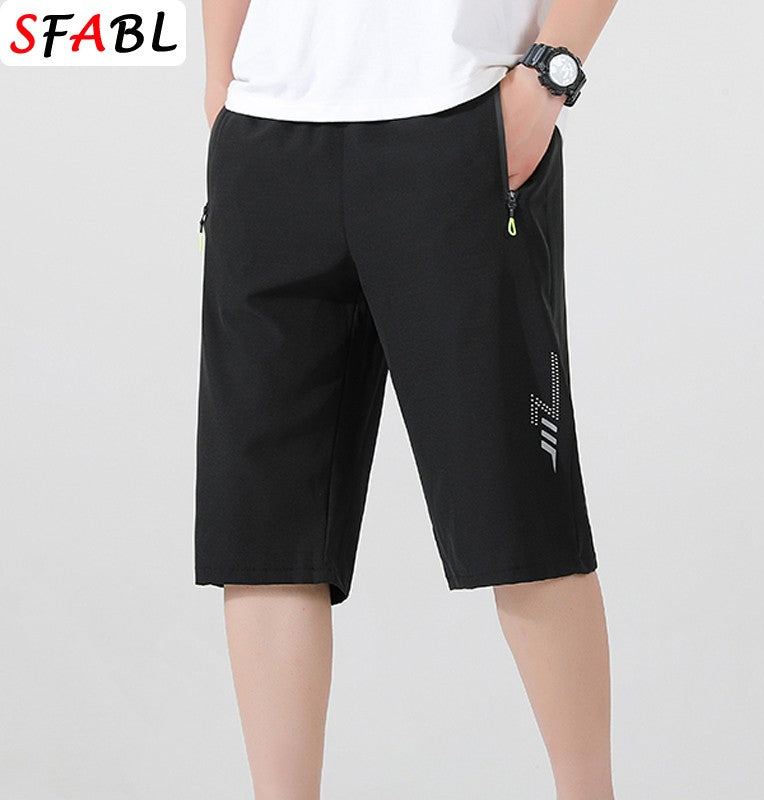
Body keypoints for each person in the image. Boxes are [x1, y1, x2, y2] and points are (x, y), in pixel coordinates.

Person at [194, 0, 618, 797]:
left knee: (520, 510)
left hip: (458, 121)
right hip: (265, 132)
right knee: (264, 537)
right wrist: (221, 87)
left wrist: (549, 76)